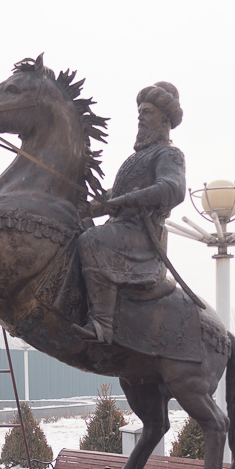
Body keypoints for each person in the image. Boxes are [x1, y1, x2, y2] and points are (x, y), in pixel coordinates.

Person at [73, 82, 186, 344]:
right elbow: (115, 196)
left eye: (147, 112)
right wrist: (91, 206)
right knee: (76, 227)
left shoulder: (170, 154)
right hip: (120, 229)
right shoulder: (136, 158)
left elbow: (173, 188)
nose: (140, 118)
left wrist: (126, 200)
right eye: (139, 113)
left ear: (164, 119)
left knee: (91, 239)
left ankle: (102, 324)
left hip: (142, 236)